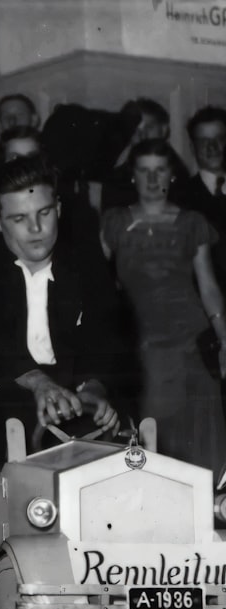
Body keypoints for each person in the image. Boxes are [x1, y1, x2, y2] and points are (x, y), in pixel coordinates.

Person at [0, 155, 122, 461]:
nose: (36, 228)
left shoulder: (87, 266)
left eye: (44, 212)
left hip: (77, 393)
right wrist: (41, 385)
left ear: (58, 209)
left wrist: (95, 390)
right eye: (19, 219)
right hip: (2, 396)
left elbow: (105, 337)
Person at [100, 138, 226, 471]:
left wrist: (224, 339)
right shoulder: (114, 222)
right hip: (144, 343)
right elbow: (99, 287)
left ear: (172, 175)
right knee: (155, 436)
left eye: (160, 170)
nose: (153, 180)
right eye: (144, 171)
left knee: (202, 440)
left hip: (193, 340)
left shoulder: (192, 222)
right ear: (133, 176)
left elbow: (208, 286)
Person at [178, 106, 226, 282]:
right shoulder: (180, 198)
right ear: (192, 147)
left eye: (219, 139)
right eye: (203, 141)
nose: (212, 147)